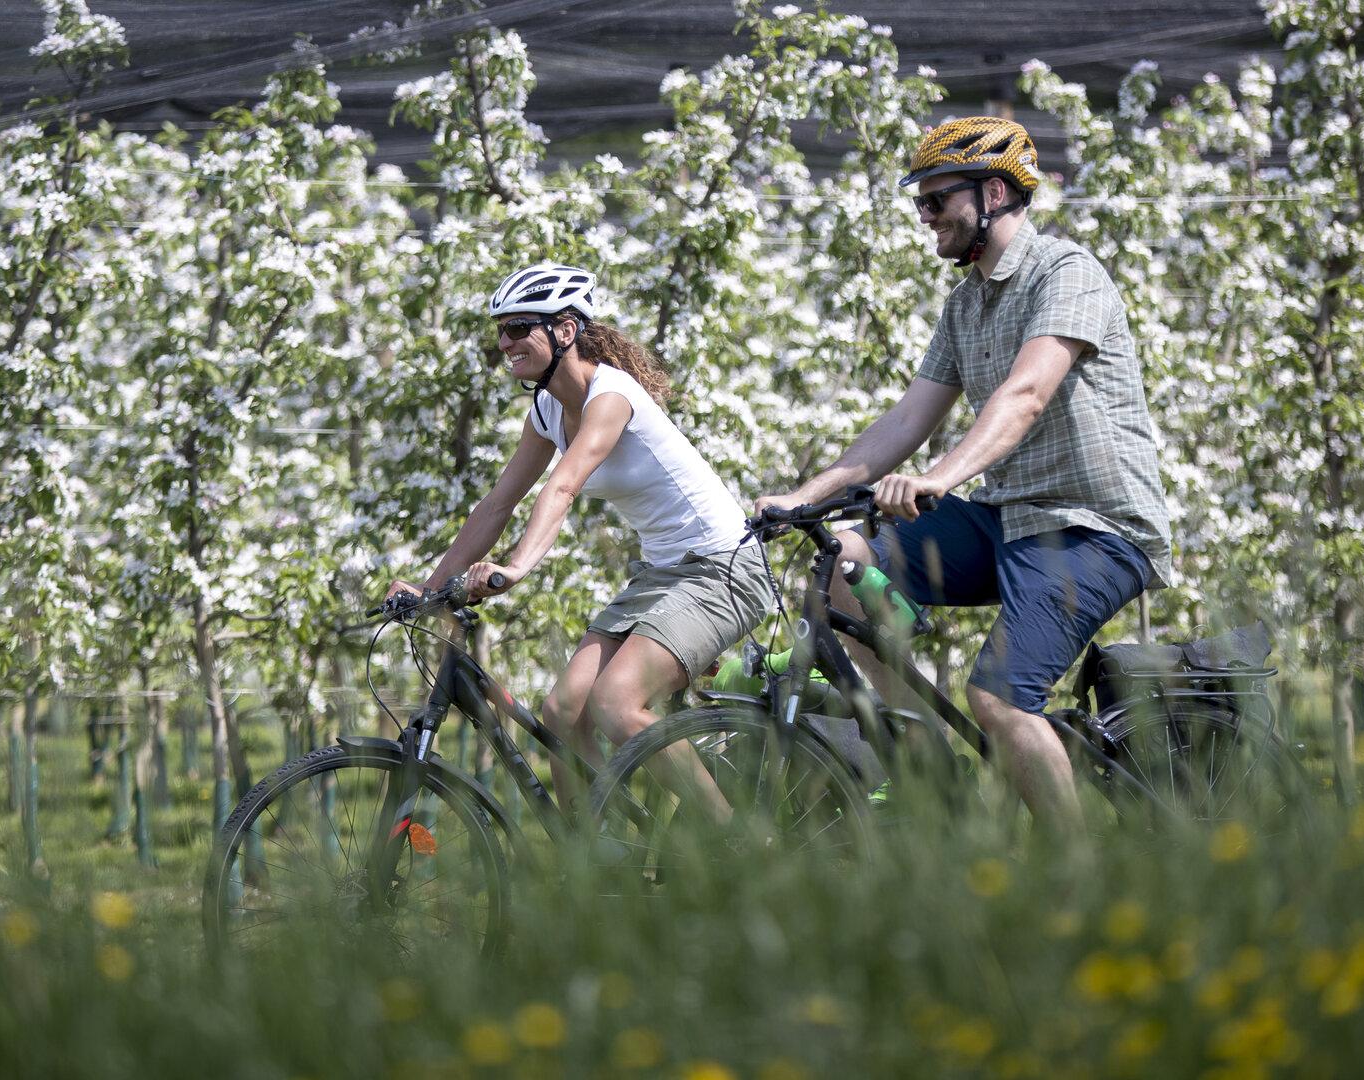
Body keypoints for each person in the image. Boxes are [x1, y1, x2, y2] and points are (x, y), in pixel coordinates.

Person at [755, 117, 1174, 835]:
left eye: (935, 199)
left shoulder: (1067, 274)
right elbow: (907, 421)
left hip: (1093, 528)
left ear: (992, 193)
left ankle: (1083, 878)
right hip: (1007, 517)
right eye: (919, 202)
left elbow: (1026, 394)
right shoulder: (964, 304)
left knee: (1002, 700)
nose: (924, 217)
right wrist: (806, 496)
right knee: (842, 568)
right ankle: (932, 776)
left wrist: (939, 478)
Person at [388, 262, 771, 815]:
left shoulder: (612, 395)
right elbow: (498, 503)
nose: (505, 342)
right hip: (663, 573)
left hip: (724, 567)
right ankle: (596, 867)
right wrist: (430, 586)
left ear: (564, 330)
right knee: (564, 713)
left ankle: (740, 841)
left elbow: (563, 486)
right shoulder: (547, 409)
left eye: (519, 327)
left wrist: (516, 567)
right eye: (501, 330)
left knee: (617, 704)